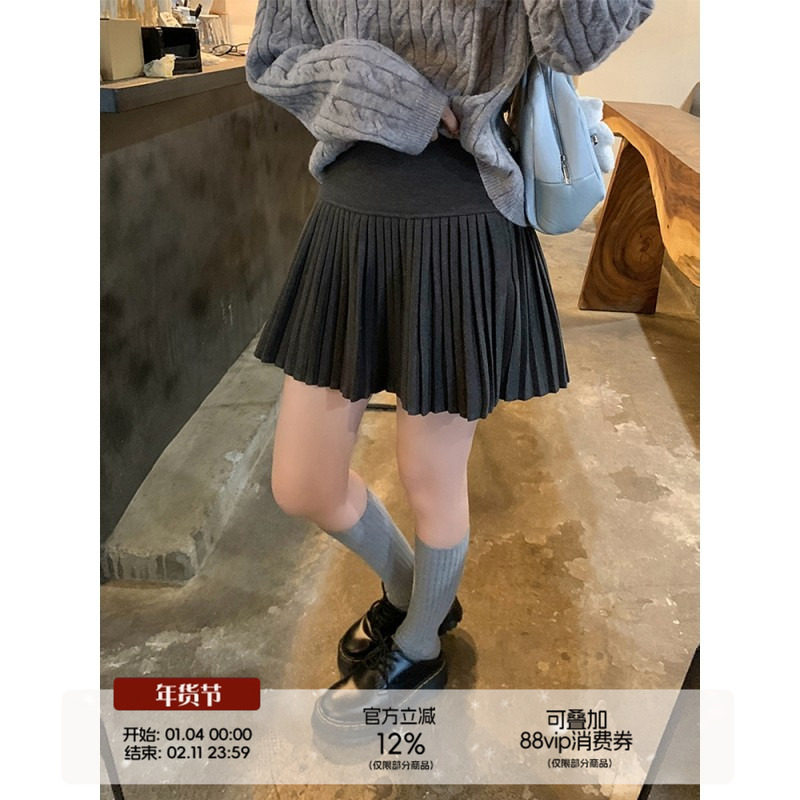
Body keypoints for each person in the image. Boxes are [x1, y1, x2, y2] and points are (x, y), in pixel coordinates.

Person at [244, 0, 655, 720]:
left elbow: (576, 41)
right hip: (348, 221)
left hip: (463, 222)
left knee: (429, 475)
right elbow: (272, 58)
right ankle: (416, 593)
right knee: (302, 483)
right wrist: (398, 97)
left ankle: (421, 643)